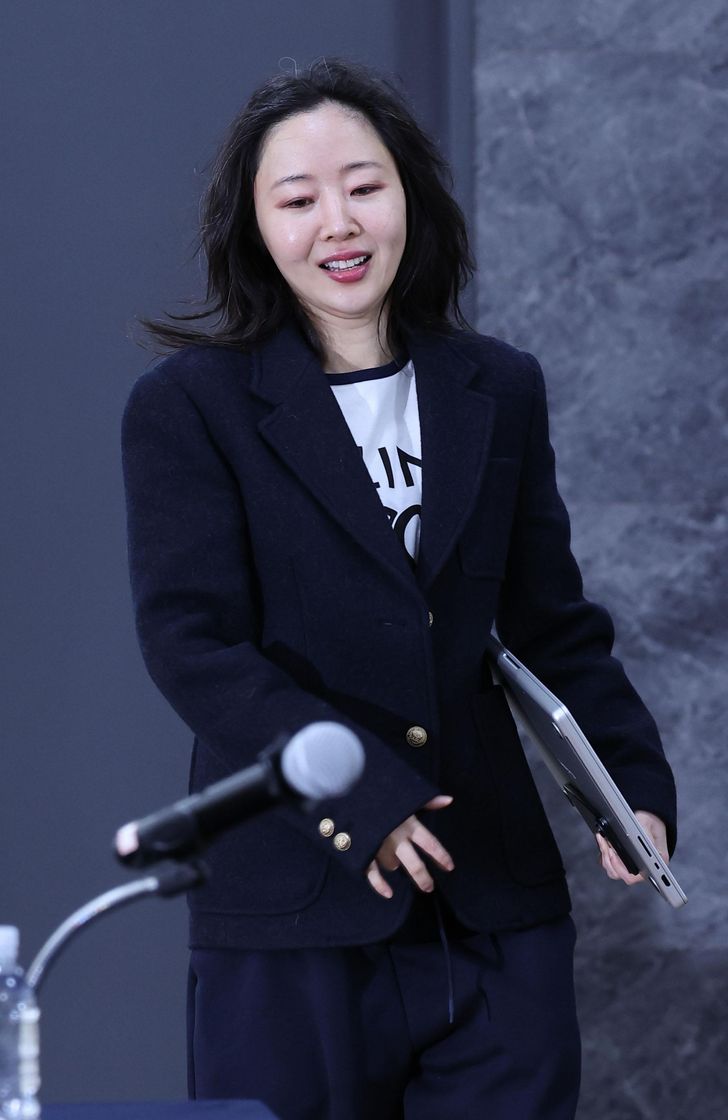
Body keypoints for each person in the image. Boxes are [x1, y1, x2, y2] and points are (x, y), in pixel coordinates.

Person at [121, 58, 677, 1120]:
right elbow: (193, 645)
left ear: (409, 197)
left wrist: (632, 787)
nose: (338, 221)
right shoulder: (188, 408)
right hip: (294, 913)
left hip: (493, 909)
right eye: (298, 199)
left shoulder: (496, 387)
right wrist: (358, 796)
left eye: (364, 185)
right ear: (256, 227)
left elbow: (551, 625)